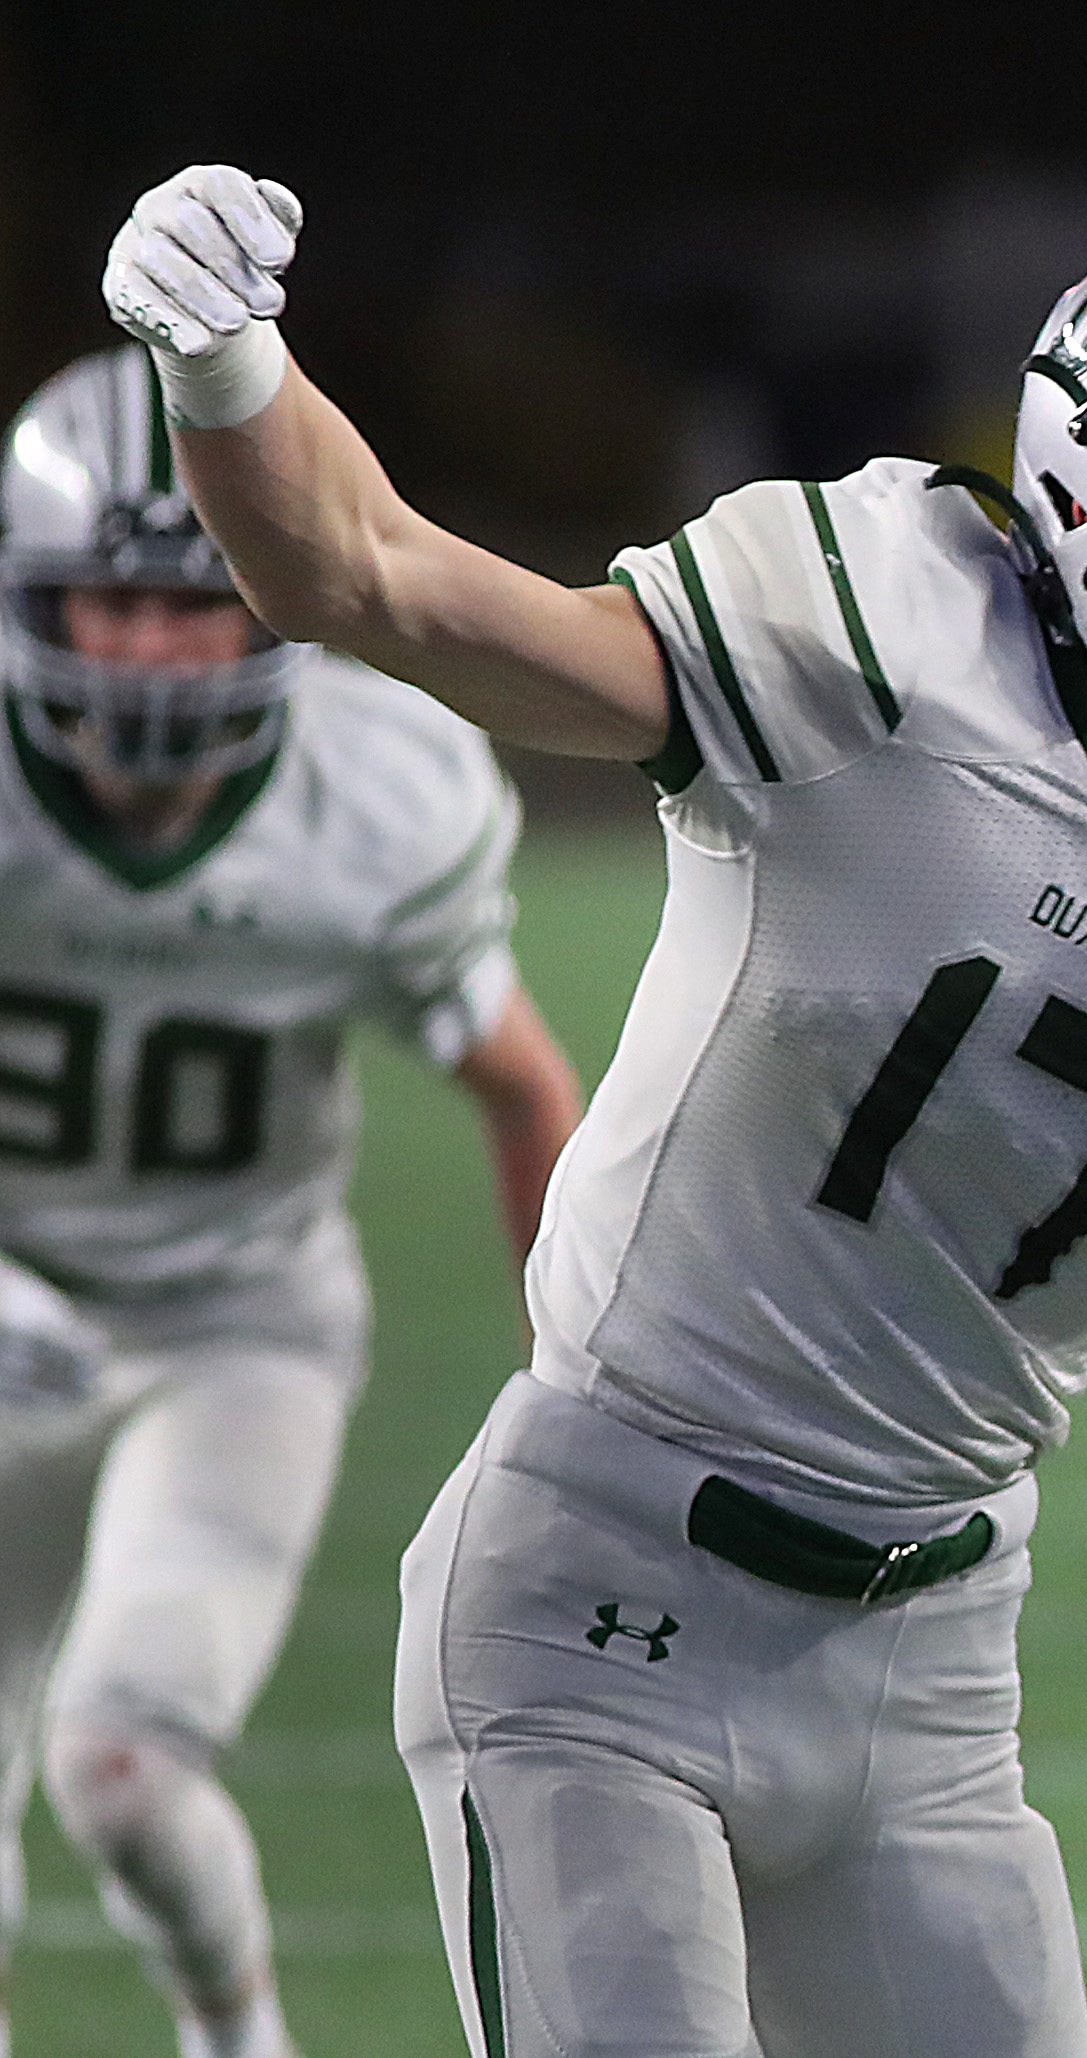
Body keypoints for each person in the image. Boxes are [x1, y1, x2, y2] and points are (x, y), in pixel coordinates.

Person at [104, 167, 1087, 2058]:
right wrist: (226, 365)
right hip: (598, 1585)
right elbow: (373, 578)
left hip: (933, 1653)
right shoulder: (882, 629)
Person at [0, 344, 581, 2058]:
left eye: (198, 603)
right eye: (117, 603)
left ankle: (238, 2031)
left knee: (122, 1761)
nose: (163, 651)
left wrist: (582, 1392)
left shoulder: (372, 797)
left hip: (232, 1323)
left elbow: (523, 1083)